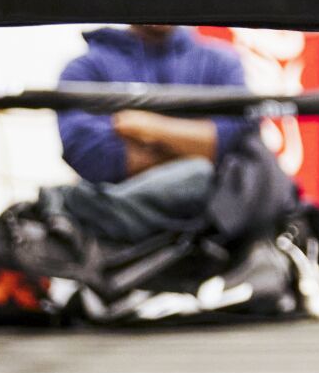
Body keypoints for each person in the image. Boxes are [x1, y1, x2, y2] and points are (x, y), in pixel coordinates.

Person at [55, 19, 257, 250]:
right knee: (199, 172)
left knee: (199, 173)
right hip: (111, 245)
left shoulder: (223, 62)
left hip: (214, 242)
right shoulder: (84, 70)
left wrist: (144, 126)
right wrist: (195, 146)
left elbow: (235, 143)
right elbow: (91, 154)